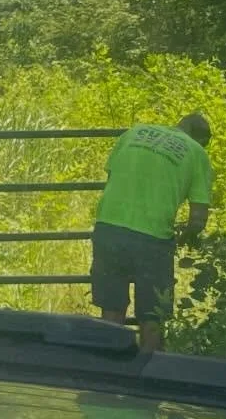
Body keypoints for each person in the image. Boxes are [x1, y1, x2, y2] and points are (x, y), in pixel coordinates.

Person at [90, 113, 213, 352]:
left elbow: (112, 176)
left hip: (108, 228)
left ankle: (106, 371)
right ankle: (148, 374)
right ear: (200, 139)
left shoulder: (134, 133)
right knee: (152, 315)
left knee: (111, 308)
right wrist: (187, 236)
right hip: (153, 238)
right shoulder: (197, 153)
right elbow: (198, 217)